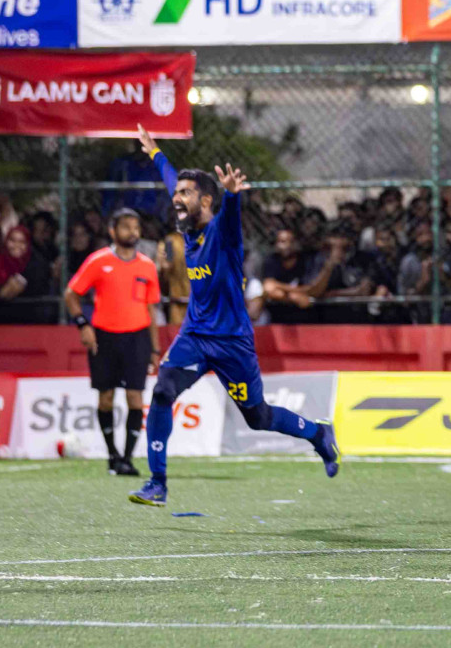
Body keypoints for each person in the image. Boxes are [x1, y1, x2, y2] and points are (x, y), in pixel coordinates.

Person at [128, 125, 339, 507]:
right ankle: (157, 482)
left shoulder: (223, 234)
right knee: (161, 392)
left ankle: (318, 435)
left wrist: (232, 196)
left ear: (206, 202)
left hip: (232, 343)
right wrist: (156, 152)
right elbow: (173, 179)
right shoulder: (188, 228)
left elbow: (228, 214)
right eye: (176, 193)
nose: (176, 198)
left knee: (257, 417)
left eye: (185, 195)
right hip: (194, 336)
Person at [64, 208, 161, 477]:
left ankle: (127, 458)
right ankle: (111, 455)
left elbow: (152, 310)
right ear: (113, 231)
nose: (133, 232)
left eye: (136, 226)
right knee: (105, 397)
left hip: (137, 337)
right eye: (126, 226)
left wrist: (155, 348)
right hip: (104, 337)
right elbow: (71, 294)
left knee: (135, 397)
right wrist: (82, 324)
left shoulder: (147, 266)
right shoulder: (98, 261)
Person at [0, 225, 56, 324]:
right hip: (0, 326)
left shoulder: (37, 264)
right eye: (12, 241)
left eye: (22, 242)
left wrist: (21, 285)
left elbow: (41, 289)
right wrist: (0, 293)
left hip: (31, 326)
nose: (17, 245)